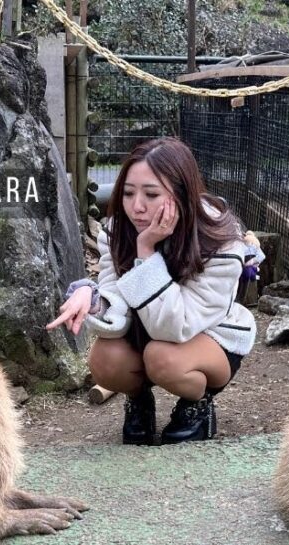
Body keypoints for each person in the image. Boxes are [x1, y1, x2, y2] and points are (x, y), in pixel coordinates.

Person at [46, 137, 260, 445]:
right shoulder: (117, 230)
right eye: (129, 193)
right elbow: (116, 300)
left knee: (163, 357)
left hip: (208, 337)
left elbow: (175, 326)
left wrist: (145, 252)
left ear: (182, 194)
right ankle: (139, 402)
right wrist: (94, 298)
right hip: (147, 332)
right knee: (104, 359)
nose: (137, 207)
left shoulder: (221, 243)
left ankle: (196, 405)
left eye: (151, 194)